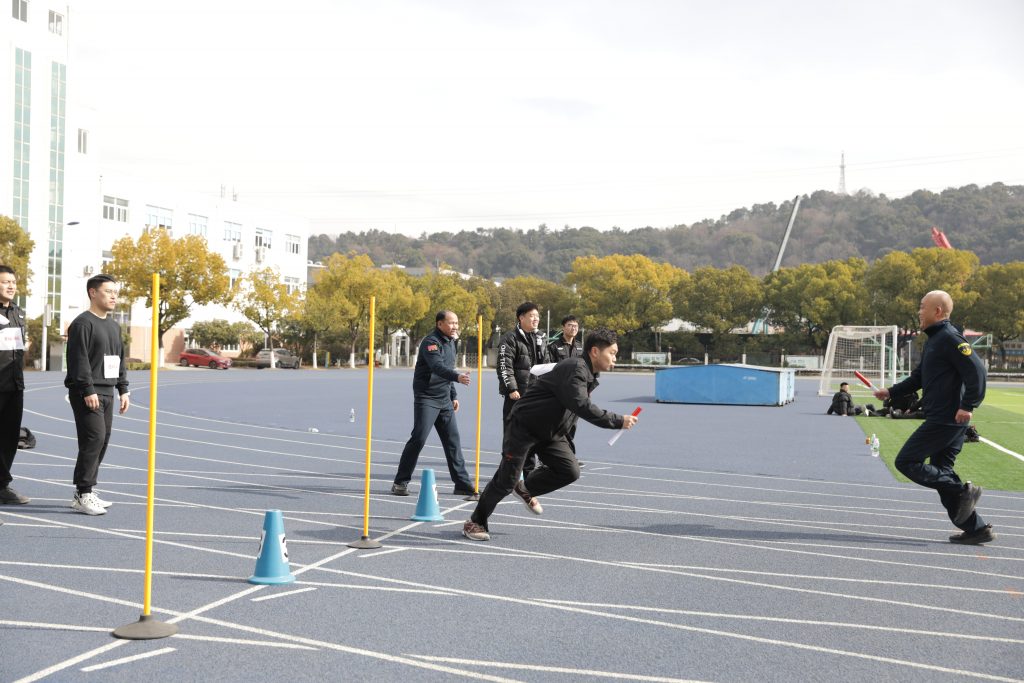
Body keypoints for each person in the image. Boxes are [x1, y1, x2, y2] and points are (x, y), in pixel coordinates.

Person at [463, 327, 638, 541]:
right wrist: (618, 420)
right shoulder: (576, 369)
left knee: (569, 470)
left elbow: (572, 409)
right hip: (524, 427)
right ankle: (475, 521)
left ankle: (525, 487)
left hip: (550, 432)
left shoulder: (589, 372)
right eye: (612, 353)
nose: (615, 359)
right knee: (505, 481)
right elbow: (581, 405)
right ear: (595, 351)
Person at [872, 290, 992, 545]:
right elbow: (918, 378)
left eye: (922, 307)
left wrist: (968, 405)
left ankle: (963, 491)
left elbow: (978, 372)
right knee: (941, 474)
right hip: (946, 420)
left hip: (947, 420)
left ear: (937, 311)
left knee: (906, 461)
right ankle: (976, 529)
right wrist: (891, 392)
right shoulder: (934, 341)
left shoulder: (950, 338)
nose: (918, 311)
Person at [65, 274, 130, 515]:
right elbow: (78, 359)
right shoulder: (83, 323)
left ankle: (86, 491)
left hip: (108, 392)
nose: (114, 295)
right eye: (108, 291)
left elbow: (119, 359)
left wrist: (123, 389)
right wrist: (87, 389)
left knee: (102, 440)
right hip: (87, 393)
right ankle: (84, 493)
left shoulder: (113, 326)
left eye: (116, 291)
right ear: (93, 293)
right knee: (93, 439)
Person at [392, 310, 475, 496]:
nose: (455, 327)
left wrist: (453, 395)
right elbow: (437, 367)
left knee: (453, 441)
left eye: (457, 323)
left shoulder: (451, 342)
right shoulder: (431, 343)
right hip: (427, 397)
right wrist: (457, 377)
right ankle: (400, 482)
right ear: (440, 324)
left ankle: (462, 483)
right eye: (451, 323)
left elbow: (449, 367)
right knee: (419, 439)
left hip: (444, 398)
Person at [496, 302, 549, 480]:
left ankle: (529, 475)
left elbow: (546, 365)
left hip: (537, 396)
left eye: (537, 316)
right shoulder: (510, 338)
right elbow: (504, 365)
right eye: (532, 316)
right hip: (517, 395)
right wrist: (512, 388)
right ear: (521, 317)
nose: (536, 319)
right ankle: (507, 474)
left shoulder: (541, 337)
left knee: (533, 435)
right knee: (512, 436)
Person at [0, 265, 29, 506]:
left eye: (13, 282)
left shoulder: (18, 313)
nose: (10, 286)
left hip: (15, 385)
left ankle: (2, 485)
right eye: (5, 282)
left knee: (10, 437)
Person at [548, 315, 586, 465]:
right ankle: (551, 457)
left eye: (576, 326)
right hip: (558, 393)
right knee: (557, 424)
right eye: (570, 325)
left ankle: (568, 456)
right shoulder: (553, 347)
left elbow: (585, 369)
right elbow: (549, 369)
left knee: (572, 425)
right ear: (563, 327)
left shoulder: (580, 347)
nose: (573, 328)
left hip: (576, 393)